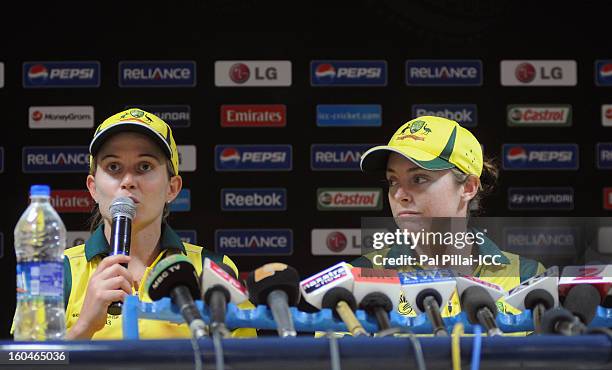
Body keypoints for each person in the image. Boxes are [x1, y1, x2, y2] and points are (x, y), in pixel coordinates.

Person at [62, 108, 256, 339]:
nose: (128, 181)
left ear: (172, 188)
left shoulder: (212, 267)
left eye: (144, 166)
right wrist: (83, 327)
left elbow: (243, 360)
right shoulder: (59, 271)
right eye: (113, 167)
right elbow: (27, 363)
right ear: (93, 187)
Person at [351, 115, 546, 318]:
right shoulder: (361, 275)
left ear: (468, 187)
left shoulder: (527, 276)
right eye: (393, 181)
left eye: (418, 178)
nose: (399, 195)